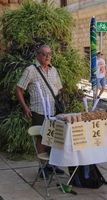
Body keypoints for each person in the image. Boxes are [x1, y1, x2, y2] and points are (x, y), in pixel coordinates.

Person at [15, 44, 64, 179]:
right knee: (41, 138)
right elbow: (18, 88)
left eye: (49, 54)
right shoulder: (30, 70)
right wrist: (25, 107)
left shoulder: (53, 70)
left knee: (54, 138)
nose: (48, 56)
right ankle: (42, 167)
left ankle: (52, 164)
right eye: (44, 54)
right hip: (39, 110)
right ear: (38, 55)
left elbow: (59, 89)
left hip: (54, 111)